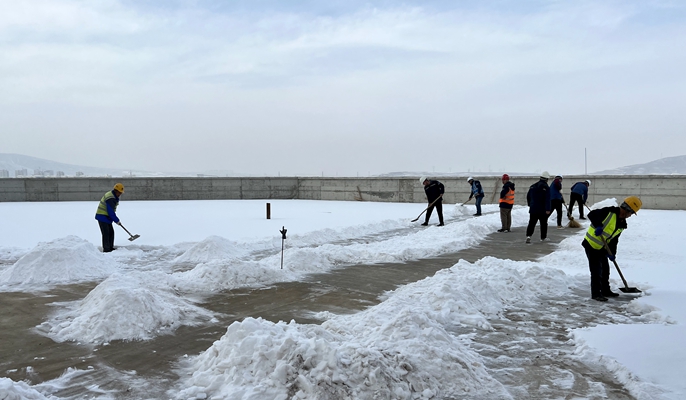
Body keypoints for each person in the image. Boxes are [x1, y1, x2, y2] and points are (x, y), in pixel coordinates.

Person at [582, 196, 642, 302]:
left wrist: (612, 253)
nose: (630, 215)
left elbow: (614, 240)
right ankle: (596, 294)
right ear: (627, 210)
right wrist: (598, 225)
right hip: (591, 244)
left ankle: (605, 290)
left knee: (605, 270)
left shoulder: (622, 224)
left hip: (602, 247)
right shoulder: (609, 212)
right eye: (632, 213)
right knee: (596, 270)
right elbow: (592, 214)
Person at [95, 183, 124, 252]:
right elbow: (110, 211)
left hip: (106, 217)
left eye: (121, 193)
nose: (120, 194)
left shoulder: (113, 196)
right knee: (106, 233)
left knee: (111, 232)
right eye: (119, 192)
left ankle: (110, 247)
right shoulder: (111, 198)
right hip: (102, 216)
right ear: (116, 191)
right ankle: (106, 249)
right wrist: (117, 220)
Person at [525, 171, 551, 243]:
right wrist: (548, 209)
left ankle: (528, 236)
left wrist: (530, 204)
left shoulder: (533, 186)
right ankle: (543, 237)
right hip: (542, 209)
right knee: (543, 223)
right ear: (546, 179)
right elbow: (547, 199)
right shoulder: (546, 187)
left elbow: (528, 196)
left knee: (532, 223)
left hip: (533, 208)